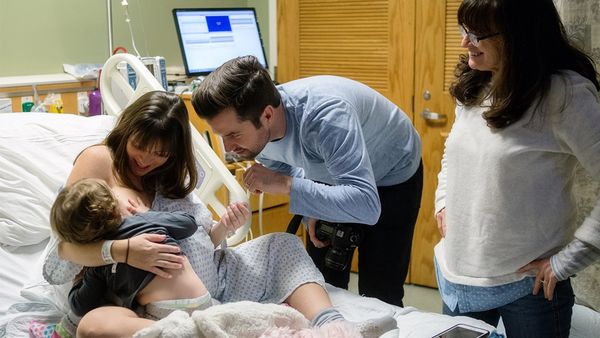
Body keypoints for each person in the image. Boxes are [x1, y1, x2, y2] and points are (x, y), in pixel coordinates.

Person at [42, 90, 396, 338]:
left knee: (282, 245)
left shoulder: (167, 174)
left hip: (213, 278)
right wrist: (124, 250)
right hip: (142, 294)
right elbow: (62, 251)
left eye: (160, 153)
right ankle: (208, 329)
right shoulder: (99, 161)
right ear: (126, 131)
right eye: (141, 147)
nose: (147, 160)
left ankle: (332, 326)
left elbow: (197, 231)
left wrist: (221, 230)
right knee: (97, 326)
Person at [192, 55, 423, 307]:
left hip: (392, 171)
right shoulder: (255, 131)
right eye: (221, 136)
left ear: (267, 115)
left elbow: (367, 206)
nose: (229, 147)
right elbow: (289, 162)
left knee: (380, 291)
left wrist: (287, 185)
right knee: (320, 284)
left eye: (233, 134)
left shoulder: (326, 117)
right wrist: (310, 206)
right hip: (333, 168)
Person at [434, 0, 600, 337]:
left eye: (477, 34)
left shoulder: (564, 95)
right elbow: (454, 152)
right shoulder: (477, 81)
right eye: (464, 30)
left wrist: (568, 260)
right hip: (459, 276)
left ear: (518, 36)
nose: (465, 42)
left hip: (529, 288)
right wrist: (443, 201)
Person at [49, 178, 216, 319]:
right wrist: (148, 212)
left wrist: (79, 278)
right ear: (115, 208)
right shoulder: (144, 220)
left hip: (163, 313)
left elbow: (80, 306)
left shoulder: (99, 264)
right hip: (204, 301)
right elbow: (189, 224)